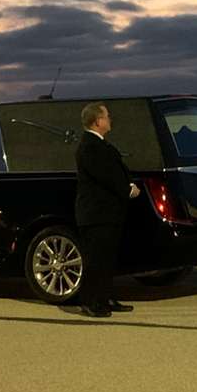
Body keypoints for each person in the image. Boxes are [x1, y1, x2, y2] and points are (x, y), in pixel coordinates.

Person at [75, 102, 140, 317]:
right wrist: (127, 189)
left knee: (108, 259)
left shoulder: (103, 145)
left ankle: (106, 296)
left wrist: (130, 183)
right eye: (107, 116)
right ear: (98, 121)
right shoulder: (90, 146)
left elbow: (118, 169)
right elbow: (105, 175)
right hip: (97, 213)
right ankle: (91, 301)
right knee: (95, 259)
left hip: (108, 213)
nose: (110, 120)